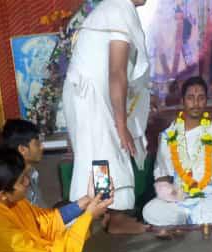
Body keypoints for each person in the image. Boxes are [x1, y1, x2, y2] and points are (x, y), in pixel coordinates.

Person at [63, 0, 151, 235]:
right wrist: (121, 125)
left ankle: (106, 214)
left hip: (88, 95)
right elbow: (117, 72)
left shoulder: (114, 7)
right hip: (90, 97)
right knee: (102, 155)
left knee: (101, 156)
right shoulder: (119, 7)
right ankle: (101, 215)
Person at [142, 76, 212, 229]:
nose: (196, 103)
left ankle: (187, 217)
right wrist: (166, 190)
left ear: (206, 101)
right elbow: (163, 173)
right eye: (190, 98)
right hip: (179, 196)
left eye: (201, 98)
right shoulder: (169, 135)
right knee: (150, 210)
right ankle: (197, 216)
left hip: (211, 194)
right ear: (182, 101)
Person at [1, 119, 46, 206]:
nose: (42, 147)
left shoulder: (33, 173)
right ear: (22, 149)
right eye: (37, 144)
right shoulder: (11, 185)